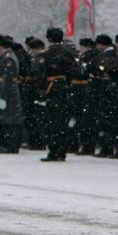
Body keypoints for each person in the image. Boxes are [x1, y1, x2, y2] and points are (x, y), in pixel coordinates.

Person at [39, 27, 77, 162]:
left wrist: (41, 92)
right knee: (63, 122)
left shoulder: (46, 54)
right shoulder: (68, 53)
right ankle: (62, 150)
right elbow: (74, 72)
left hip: (52, 90)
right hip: (65, 90)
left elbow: (40, 74)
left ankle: (54, 151)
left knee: (52, 122)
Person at [0, 35, 24, 154]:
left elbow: (8, 78)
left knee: (11, 119)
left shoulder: (8, 58)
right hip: (5, 90)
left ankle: (11, 145)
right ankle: (7, 143)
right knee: (5, 118)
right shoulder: (5, 56)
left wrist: (3, 96)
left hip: (8, 92)